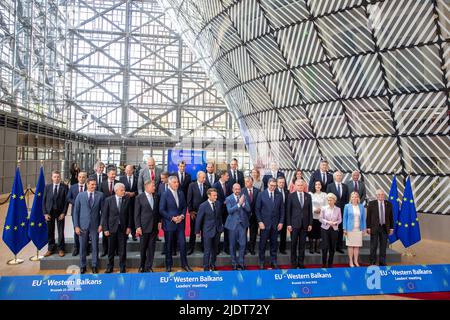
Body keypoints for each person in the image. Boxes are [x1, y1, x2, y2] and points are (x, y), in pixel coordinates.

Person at [159, 175, 192, 272]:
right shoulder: (165, 194)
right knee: (169, 246)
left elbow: (184, 206)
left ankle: (184, 264)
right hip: (169, 224)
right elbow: (161, 210)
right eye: (174, 182)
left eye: (177, 182)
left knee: (182, 244)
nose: (177, 184)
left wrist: (182, 216)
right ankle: (168, 266)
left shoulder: (181, 193)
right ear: (169, 183)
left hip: (180, 224)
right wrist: (172, 218)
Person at [72, 178, 105, 274]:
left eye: (95, 184)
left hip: (95, 226)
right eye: (92, 184)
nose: (94, 186)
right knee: (82, 247)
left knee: (95, 246)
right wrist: (76, 226)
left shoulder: (100, 195)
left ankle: (95, 265)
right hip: (82, 225)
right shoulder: (80, 195)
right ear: (87, 184)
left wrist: (101, 224)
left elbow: (103, 212)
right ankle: (83, 266)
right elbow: (76, 212)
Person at [102, 183, 131, 273]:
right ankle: (110, 267)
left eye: (124, 190)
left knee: (123, 249)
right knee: (111, 249)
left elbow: (130, 215)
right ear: (116, 191)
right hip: (111, 229)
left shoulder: (127, 199)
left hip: (123, 229)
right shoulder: (108, 200)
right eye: (122, 190)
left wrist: (129, 227)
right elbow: (104, 216)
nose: (124, 192)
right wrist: (105, 229)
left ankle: (122, 267)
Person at [255, 178, 284, 269]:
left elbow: (282, 210)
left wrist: (281, 222)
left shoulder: (279, 195)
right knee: (262, 245)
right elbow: (257, 209)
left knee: (274, 245)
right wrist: (260, 222)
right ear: (268, 184)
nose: (273, 187)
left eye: (274, 186)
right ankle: (261, 262)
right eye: (271, 185)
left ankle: (273, 261)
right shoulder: (261, 194)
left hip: (275, 225)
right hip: (264, 224)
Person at [286, 179, 313, 269]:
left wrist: (310, 224)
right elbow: (288, 211)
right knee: (293, 245)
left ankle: (301, 263)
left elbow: (310, 211)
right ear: (295, 186)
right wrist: (288, 224)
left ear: (304, 186)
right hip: (294, 225)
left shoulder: (308, 196)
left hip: (305, 225)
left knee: (302, 245)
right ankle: (293, 263)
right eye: (298, 185)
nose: (300, 187)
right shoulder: (291, 196)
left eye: (302, 185)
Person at [195, 188, 223, 271]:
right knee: (207, 251)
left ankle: (213, 264)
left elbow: (219, 217)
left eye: (216, 195)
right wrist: (197, 231)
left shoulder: (218, 203)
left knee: (215, 250)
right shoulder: (203, 205)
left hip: (217, 231)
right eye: (214, 195)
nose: (216, 197)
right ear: (209, 196)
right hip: (207, 231)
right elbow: (198, 220)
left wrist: (220, 228)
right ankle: (206, 267)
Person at [135, 180, 160, 272]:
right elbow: (136, 214)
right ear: (146, 186)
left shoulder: (156, 196)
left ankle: (149, 266)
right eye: (153, 186)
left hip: (154, 227)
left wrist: (159, 222)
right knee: (143, 248)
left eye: (154, 186)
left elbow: (157, 212)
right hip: (143, 227)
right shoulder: (139, 197)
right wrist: (138, 227)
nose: (154, 188)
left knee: (151, 248)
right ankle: (142, 266)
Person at [225, 183, 251, 270]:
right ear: (232, 189)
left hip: (242, 225)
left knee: (243, 244)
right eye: (235, 189)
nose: (237, 191)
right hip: (232, 225)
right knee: (232, 245)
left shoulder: (244, 197)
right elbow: (229, 211)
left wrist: (243, 204)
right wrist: (239, 204)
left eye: (239, 189)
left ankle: (241, 263)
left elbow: (248, 209)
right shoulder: (228, 198)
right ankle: (234, 263)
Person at [43, 170, 69, 257]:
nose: (56, 178)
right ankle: (50, 248)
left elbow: (66, 201)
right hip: (49, 213)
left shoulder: (64, 187)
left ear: (60, 177)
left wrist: (64, 213)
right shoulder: (47, 187)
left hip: (60, 213)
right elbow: (44, 201)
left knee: (61, 231)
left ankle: (61, 249)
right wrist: (45, 213)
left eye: (58, 177)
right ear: (52, 177)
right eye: (55, 177)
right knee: (50, 231)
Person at [367, 189, 394, 266]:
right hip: (374, 227)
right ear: (376, 196)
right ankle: (372, 261)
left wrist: (391, 228)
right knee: (373, 245)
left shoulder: (388, 204)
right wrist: (368, 227)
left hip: (385, 228)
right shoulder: (372, 204)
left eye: (382, 194)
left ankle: (382, 262)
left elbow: (391, 217)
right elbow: (368, 217)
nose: (381, 196)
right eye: (379, 195)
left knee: (383, 245)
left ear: (384, 195)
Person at [326, 170, 349, 253]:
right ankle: (330, 246)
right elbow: (328, 199)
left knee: (340, 229)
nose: (339, 177)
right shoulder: (330, 186)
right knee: (332, 229)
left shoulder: (345, 186)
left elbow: (347, 200)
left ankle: (339, 246)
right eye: (337, 176)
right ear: (334, 177)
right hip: (332, 211)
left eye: (340, 176)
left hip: (342, 211)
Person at [187, 171, 208, 255]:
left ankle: (203, 247)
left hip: (204, 213)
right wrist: (190, 211)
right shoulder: (192, 185)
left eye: (205, 177)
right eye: (203, 177)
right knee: (193, 231)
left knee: (204, 231)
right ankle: (191, 248)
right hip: (194, 213)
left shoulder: (207, 186)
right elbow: (189, 199)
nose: (204, 179)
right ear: (198, 177)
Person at [66, 171, 87, 256]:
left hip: (86, 213)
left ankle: (85, 248)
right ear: (77, 178)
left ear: (86, 178)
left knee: (86, 230)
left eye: (83, 177)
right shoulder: (73, 187)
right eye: (80, 177)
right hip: (75, 212)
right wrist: (77, 202)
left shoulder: (88, 187)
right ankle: (76, 247)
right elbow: (68, 198)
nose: (81, 178)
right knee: (76, 229)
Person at [343, 192, 366, 267]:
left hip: (358, 229)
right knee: (350, 246)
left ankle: (356, 261)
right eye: (353, 197)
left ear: (358, 198)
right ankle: (351, 261)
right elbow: (345, 218)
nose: (354, 198)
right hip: (350, 229)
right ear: (351, 198)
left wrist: (364, 229)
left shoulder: (361, 206)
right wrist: (344, 229)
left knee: (357, 246)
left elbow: (363, 219)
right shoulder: (347, 206)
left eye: (356, 196)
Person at [99, 167, 119, 257]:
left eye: (115, 174)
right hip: (105, 211)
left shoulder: (118, 183)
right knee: (105, 231)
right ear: (107, 174)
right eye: (112, 174)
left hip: (116, 212)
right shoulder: (102, 184)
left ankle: (115, 250)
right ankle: (105, 250)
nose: (113, 176)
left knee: (115, 232)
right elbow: (100, 196)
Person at [319, 193, 342, 268]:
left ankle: (330, 264)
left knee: (332, 248)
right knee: (325, 247)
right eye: (328, 200)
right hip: (325, 229)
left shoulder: (338, 209)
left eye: (331, 200)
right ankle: (323, 264)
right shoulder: (323, 208)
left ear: (334, 200)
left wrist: (335, 223)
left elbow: (340, 219)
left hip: (334, 229)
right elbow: (320, 218)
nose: (329, 201)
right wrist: (328, 222)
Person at [213, 170, 232, 254]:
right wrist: (222, 202)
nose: (228, 177)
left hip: (227, 212)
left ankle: (226, 248)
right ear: (222, 176)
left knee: (227, 230)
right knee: (218, 230)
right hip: (218, 211)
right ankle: (216, 248)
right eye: (227, 175)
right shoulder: (215, 185)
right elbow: (214, 198)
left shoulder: (228, 185)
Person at [242, 176, 259, 255]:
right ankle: (244, 248)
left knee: (253, 233)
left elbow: (259, 204)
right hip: (245, 216)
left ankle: (252, 248)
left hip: (254, 216)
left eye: (247, 181)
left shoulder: (257, 191)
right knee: (243, 233)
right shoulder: (242, 191)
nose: (246, 183)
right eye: (245, 181)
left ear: (252, 182)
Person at [120, 165, 138, 241]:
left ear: (133, 170)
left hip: (134, 201)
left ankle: (134, 234)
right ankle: (126, 235)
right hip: (125, 201)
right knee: (126, 217)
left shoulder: (137, 178)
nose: (128, 171)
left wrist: (134, 193)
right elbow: (120, 189)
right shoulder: (122, 178)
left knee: (134, 217)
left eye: (130, 170)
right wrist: (125, 193)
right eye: (127, 170)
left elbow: (139, 189)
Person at [309, 180, 327, 254]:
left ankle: (317, 248)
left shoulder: (325, 194)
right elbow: (309, 204)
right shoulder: (310, 194)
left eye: (319, 184)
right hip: (312, 216)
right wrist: (314, 210)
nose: (318, 186)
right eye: (316, 184)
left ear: (321, 186)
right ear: (314, 185)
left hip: (321, 216)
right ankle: (311, 247)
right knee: (311, 232)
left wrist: (321, 210)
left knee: (319, 232)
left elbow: (326, 205)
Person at [276, 177, 289, 254]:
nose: (281, 184)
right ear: (277, 183)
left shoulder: (287, 191)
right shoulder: (274, 191)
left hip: (284, 216)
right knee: (274, 234)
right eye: (280, 182)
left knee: (283, 234)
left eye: (283, 182)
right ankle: (274, 249)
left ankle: (282, 249)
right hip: (275, 216)